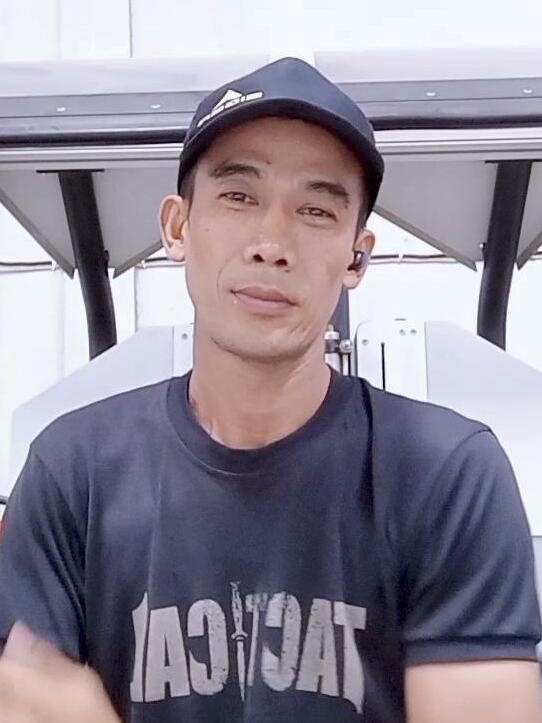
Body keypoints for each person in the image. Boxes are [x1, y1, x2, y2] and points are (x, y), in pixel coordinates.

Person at [0, 57, 540, 723]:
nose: (271, 243)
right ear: (177, 227)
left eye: (316, 209)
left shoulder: (447, 474)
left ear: (356, 255)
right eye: (238, 196)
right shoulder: (72, 474)